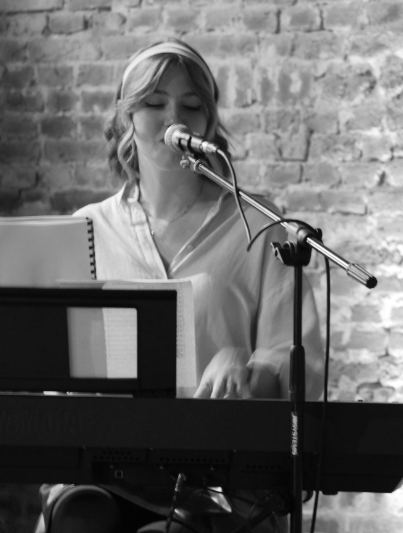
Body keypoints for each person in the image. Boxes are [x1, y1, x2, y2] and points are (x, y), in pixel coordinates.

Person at [38, 38, 325, 533]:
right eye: (154, 104)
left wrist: (247, 367)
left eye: (191, 106)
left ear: (209, 124)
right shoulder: (87, 228)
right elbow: (57, 378)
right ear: (126, 118)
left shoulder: (258, 225)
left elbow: (294, 360)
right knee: (82, 520)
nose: (175, 118)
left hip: (222, 483)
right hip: (108, 473)